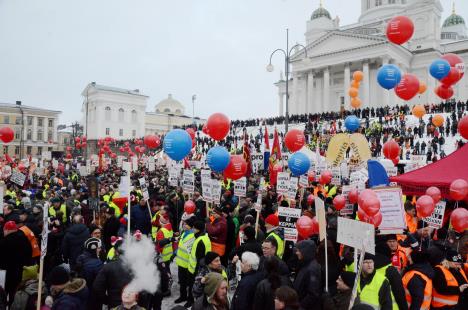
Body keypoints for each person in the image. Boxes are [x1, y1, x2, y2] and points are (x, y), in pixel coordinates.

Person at [0, 221, 32, 306]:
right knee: (15, 292)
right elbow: (29, 253)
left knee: (4, 292)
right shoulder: (24, 238)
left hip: (7, 273)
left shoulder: (4, 241)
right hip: (20, 271)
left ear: (6, 230)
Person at [93, 240, 132, 308]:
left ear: (116, 252)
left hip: (114, 304)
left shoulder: (108, 267)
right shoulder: (138, 267)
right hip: (133, 304)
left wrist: (107, 300)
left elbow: (97, 287)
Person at [187, 220, 212, 308]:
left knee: (194, 287)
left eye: (194, 228)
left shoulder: (200, 240)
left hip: (195, 269)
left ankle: (192, 302)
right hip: (197, 267)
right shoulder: (204, 237)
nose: (192, 229)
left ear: (198, 229)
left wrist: (196, 271)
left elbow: (200, 258)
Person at [293, 240, 322, 310]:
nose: (296, 253)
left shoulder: (312, 269)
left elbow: (313, 294)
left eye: (299, 251)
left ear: (306, 252)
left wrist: (301, 306)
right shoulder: (306, 264)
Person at [174, 216, 196, 304]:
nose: (184, 225)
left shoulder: (192, 236)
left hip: (188, 265)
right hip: (181, 263)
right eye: (184, 223)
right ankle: (182, 296)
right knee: (182, 282)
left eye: (186, 224)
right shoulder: (184, 233)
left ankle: (190, 299)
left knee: (189, 284)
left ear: (190, 226)